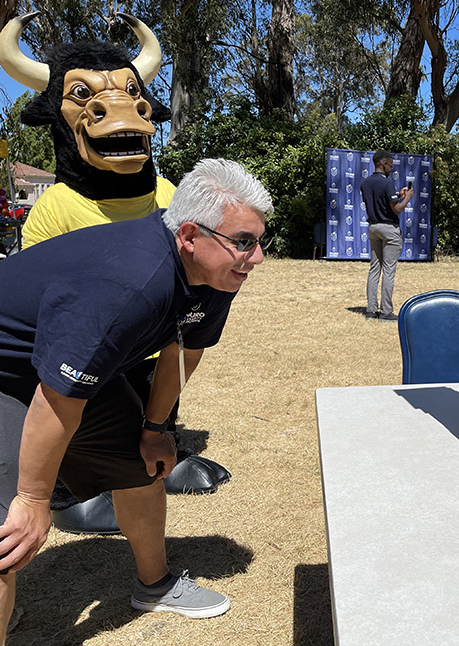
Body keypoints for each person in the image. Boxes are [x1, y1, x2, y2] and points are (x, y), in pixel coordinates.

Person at [0, 158, 273, 637]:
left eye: (259, 241)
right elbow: (58, 398)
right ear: (189, 235)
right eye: (244, 243)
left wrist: (154, 430)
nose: (258, 258)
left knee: (141, 469)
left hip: (63, 371)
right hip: (6, 369)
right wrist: (33, 498)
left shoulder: (214, 275)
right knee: (9, 533)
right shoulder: (131, 283)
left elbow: (181, 353)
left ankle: (155, 585)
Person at [361, 149, 414, 321]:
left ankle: (370, 310)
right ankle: (386, 312)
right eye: (390, 165)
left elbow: (381, 201)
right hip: (389, 229)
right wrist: (407, 198)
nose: (391, 168)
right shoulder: (387, 182)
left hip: (373, 228)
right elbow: (396, 209)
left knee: (374, 269)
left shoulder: (365, 183)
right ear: (384, 164)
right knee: (389, 271)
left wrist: (398, 195)